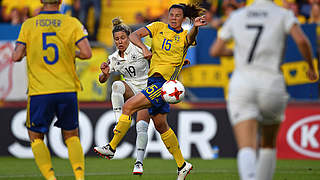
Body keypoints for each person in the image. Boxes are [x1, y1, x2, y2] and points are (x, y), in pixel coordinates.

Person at [94, 3, 207, 179]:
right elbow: (134, 35)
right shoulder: (157, 27)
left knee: (129, 106)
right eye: (171, 14)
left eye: (178, 15)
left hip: (163, 84)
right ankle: (182, 165)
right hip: (152, 80)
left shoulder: (185, 35)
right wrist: (145, 48)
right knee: (161, 125)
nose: (174, 17)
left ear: (184, 19)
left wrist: (196, 28)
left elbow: (191, 38)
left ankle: (111, 147)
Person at [209, 1, 318, 180]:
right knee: (268, 144)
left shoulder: (237, 16)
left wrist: (237, 53)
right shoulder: (283, 14)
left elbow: (215, 50)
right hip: (271, 82)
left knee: (246, 146)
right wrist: (310, 66)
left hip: (242, 83)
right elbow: (301, 40)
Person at [11, 0, 92, 180]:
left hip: (40, 90)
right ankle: (79, 177)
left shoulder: (29, 24)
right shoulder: (72, 22)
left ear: (41, 1)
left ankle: (51, 178)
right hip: (67, 89)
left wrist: (29, 50)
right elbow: (87, 53)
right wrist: (71, 52)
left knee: (36, 137)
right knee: (71, 135)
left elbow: (16, 56)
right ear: (61, 1)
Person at [95, 17, 151, 175]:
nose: (120, 42)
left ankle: (139, 162)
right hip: (132, 89)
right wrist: (104, 74)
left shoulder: (140, 48)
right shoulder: (113, 58)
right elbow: (101, 79)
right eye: (116, 39)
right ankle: (119, 121)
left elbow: (156, 60)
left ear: (129, 36)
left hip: (148, 89)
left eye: (123, 38)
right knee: (116, 85)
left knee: (141, 127)